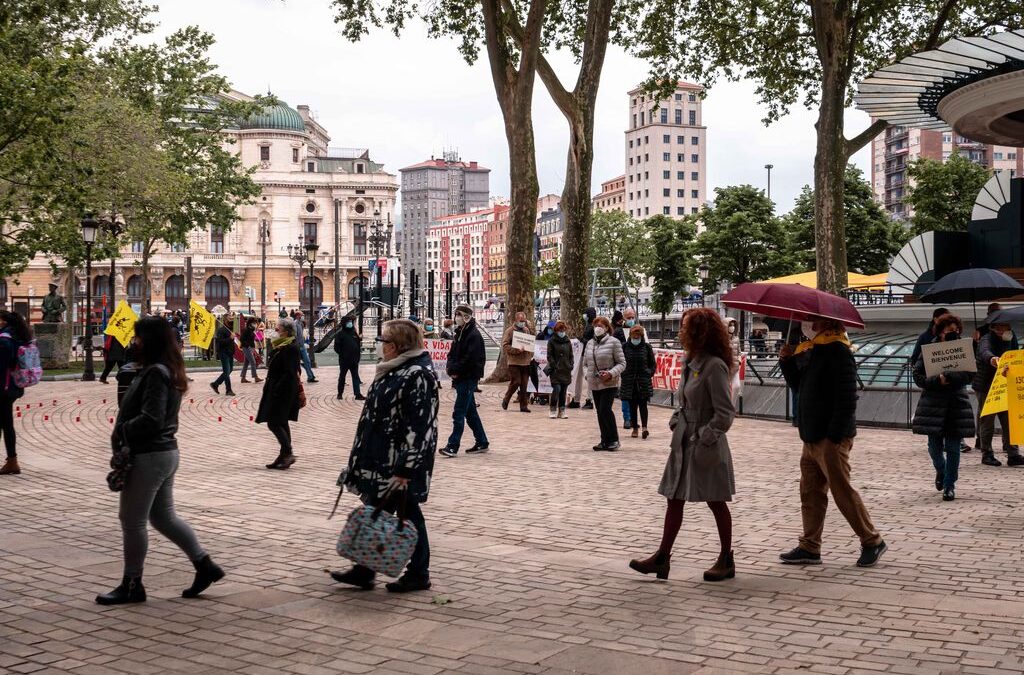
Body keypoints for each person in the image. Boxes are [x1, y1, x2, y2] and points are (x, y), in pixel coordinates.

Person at [96, 317, 224, 605]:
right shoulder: (165, 369)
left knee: (131, 520)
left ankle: (132, 584)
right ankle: (204, 565)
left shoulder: (156, 372)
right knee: (163, 517)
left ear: (149, 340)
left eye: (138, 337)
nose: (134, 342)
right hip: (164, 452)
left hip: (149, 454)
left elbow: (152, 418)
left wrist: (123, 430)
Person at [331, 319, 439, 593]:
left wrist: (406, 468)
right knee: (376, 510)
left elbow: (419, 426)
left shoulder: (417, 375)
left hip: (397, 463)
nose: (379, 346)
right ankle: (365, 569)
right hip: (380, 458)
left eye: (383, 341)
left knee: (408, 514)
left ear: (397, 346)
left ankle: (418, 572)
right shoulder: (393, 370)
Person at [629, 308, 737, 581]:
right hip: (684, 439)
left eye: (685, 327)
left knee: (715, 500)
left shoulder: (714, 366)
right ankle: (662, 557)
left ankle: (726, 558)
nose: (680, 332)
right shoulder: (691, 361)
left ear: (699, 332)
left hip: (704, 443)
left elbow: (725, 413)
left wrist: (705, 437)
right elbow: (685, 401)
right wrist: (678, 418)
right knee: (673, 498)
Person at [779, 317, 887, 567]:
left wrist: (834, 436)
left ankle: (872, 540)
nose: (808, 324)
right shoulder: (815, 349)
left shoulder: (838, 350)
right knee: (810, 492)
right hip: (811, 434)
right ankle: (810, 546)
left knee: (842, 491)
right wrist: (787, 362)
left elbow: (847, 398)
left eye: (812, 321)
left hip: (829, 437)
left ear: (826, 324)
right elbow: (800, 386)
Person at [912, 313, 974, 501]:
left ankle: (949, 485)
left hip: (956, 404)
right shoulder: (929, 349)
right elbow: (918, 376)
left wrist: (952, 377)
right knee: (934, 447)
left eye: (956, 331)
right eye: (949, 331)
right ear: (940, 332)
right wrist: (937, 380)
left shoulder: (964, 349)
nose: (953, 333)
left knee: (954, 447)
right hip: (934, 405)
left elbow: (970, 375)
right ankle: (941, 469)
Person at [439, 305, 489, 457]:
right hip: (461, 376)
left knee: (459, 411)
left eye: (459, 315)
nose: (456, 318)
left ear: (466, 317)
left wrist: (456, 371)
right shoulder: (460, 333)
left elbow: (471, 359)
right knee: (470, 412)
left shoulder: (473, 335)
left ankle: (453, 445)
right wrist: (451, 369)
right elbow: (452, 354)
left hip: (468, 377)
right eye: (455, 315)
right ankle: (482, 441)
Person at [975, 319, 1024, 467]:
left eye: (1009, 327)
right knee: (987, 420)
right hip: (986, 385)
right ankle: (987, 453)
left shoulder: (1011, 337)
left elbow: (1015, 354)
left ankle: (1013, 454)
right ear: (996, 328)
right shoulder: (986, 339)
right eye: (1005, 327)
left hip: (1006, 383)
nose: (1008, 330)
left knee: (1009, 420)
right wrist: (993, 360)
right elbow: (984, 352)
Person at [256, 318, 301, 469]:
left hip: (283, 391)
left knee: (274, 422)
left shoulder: (291, 348)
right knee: (281, 421)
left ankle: (288, 453)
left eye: (278, 329)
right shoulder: (282, 345)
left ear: (286, 332)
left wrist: (277, 388)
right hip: (278, 388)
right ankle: (283, 455)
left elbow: (290, 372)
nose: (276, 331)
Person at [584, 315, 626, 451]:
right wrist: (587, 375)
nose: (597, 329)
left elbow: (622, 363)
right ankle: (604, 440)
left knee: (605, 409)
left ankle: (614, 439)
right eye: (595, 326)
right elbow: (585, 364)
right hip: (594, 382)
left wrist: (610, 373)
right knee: (599, 412)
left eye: (600, 326)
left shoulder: (614, 342)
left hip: (609, 382)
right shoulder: (590, 343)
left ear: (607, 328)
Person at [0, 311, 32, 476]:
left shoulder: (4, 340)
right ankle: (12, 461)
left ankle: (12, 460)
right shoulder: (17, 336)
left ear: (3, 321)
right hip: (12, 387)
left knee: (6, 424)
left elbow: (3, 364)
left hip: (3, 387)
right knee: (6, 423)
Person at [620, 324, 656, 439]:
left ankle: (645, 427)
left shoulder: (647, 347)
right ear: (630, 336)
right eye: (634, 336)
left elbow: (652, 364)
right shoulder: (624, 347)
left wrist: (649, 373)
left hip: (643, 380)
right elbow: (620, 362)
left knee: (643, 405)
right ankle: (635, 428)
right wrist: (624, 373)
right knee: (632, 406)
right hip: (629, 380)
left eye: (638, 336)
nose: (636, 338)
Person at [501, 312, 534, 413]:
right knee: (516, 382)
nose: (523, 323)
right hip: (514, 362)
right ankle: (506, 399)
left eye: (524, 321)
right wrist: (516, 350)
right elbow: (505, 345)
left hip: (526, 361)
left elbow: (529, 343)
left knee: (524, 384)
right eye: (521, 321)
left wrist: (530, 352)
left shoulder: (526, 330)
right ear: (516, 320)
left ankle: (523, 405)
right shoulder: (510, 331)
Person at [569, 307, 597, 409]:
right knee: (579, 377)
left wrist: (581, 340)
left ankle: (589, 400)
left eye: (585, 313)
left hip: (588, 354)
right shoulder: (589, 326)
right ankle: (576, 399)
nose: (584, 316)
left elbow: (592, 342)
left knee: (588, 377)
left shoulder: (593, 327)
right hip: (583, 353)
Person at [546, 320, 574, 419]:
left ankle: (562, 410)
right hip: (556, 370)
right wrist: (554, 365)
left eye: (563, 330)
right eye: (560, 330)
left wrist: (571, 365)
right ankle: (552, 409)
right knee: (557, 389)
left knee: (563, 391)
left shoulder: (567, 341)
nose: (562, 332)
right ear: (556, 331)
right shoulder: (551, 341)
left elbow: (571, 355)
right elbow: (549, 356)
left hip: (566, 370)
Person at [614, 308, 637, 429]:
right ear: (624, 318)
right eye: (628, 317)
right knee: (625, 394)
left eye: (632, 317)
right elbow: (615, 347)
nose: (631, 320)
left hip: (636, 367)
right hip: (624, 367)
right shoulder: (618, 332)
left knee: (636, 394)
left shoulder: (639, 330)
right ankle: (626, 418)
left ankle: (634, 418)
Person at [333, 316, 364, 400]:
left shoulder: (354, 332)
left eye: (351, 321)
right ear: (344, 323)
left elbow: (357, 344)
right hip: (344, 360)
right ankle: (340, 393)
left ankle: (357, 394)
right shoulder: (340, 334)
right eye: (348, 322)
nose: (350, 323)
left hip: (354, 360)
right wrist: (343, 355)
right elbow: (336, 347)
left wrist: (357, 356)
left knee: (355, 377)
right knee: (342, 377)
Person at [209, 319, 235, 396]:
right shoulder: (221, 330)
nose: (231, 319)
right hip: (224, 353)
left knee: (230, 370)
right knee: (227, 371)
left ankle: (216, 384)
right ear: (225, 321)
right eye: (229, 318)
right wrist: (230, 338)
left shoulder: (230, 330)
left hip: (230, 353)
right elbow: (219, 342)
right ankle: (228, 390)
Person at [293, 310, 318, 383]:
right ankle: (297, 379)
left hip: (302, 346)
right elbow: (295, 336)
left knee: (307, 361)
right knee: (298, 363)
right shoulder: (295, 324)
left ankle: (310, 377)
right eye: (302, 315)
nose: (303, 316)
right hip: (298, 346)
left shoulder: (300, 324)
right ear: (298, 316)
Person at [239, 318, 262, 384]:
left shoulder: (252, 330)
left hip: (250, 348)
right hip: (246, 347)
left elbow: (252, 339)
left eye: (256, 323)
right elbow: (242, 339)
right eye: (254, 322)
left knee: (246, 363)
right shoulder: (246, 330)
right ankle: (255, 377)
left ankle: (243, 378)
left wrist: (253, 347)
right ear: (250, 323)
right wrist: (248, 345)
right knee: (253, 362)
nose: (256, 324)